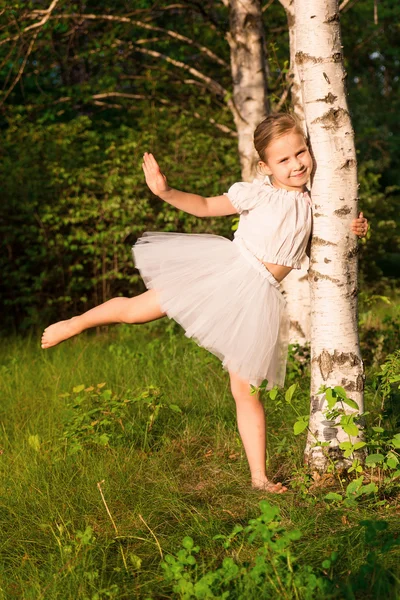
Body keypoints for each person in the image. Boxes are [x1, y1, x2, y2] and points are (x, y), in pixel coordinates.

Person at [41, 113, 368, 493]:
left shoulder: (319, 203)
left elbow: (332, 241)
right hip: (222, 271)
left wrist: (358, 228)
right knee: (137, 311)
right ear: (265, 166)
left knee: (245, 391)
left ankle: (259, 477)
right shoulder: (257, 193)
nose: (296, 164)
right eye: (284, 159)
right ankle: (77, 322)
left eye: (300, 152)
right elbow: (204, 206)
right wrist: (165, 192)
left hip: (256, 297)